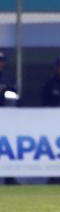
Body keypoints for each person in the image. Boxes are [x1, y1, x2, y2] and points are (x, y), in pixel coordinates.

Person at [0, 51, 19, 185]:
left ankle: (9, 175)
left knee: (8, 145)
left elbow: (15, 95)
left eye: (1, 61)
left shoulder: (7, 78)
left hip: (7, 116)